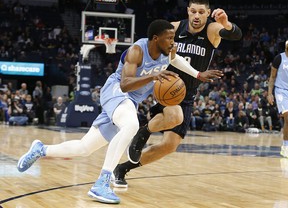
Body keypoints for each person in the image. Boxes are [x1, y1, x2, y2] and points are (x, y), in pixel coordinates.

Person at [16, 19, 222, 204]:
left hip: (130, 101)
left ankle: (41, 149)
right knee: (131, 125)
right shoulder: (137, 50)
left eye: (173, 38)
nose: (173, 42)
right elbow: (124, 84)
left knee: (84, 147)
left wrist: (198, 74)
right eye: (169, 38)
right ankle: (101, 183)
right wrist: (153, 77)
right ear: (155, 38)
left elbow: (176, 60)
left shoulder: (169, 51)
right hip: (115, 90)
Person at [113, 0, 242, 187]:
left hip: (187, 93)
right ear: (187, 11)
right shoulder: (173, 28)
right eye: (193, 11)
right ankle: (143, 133)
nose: (196, 16)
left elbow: (235, 35)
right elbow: (151, 45)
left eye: (201, 12)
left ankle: (123, 168)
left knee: (169, 146)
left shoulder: (212, 30)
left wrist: (227, 23)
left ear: (208, 13)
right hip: (166, 86)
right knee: (175, 116)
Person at [267, 40, 288, 158]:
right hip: (281, 91)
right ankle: (285, 147)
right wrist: (270, 93)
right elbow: (272, 77)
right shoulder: (279, 58)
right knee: (287, 116)